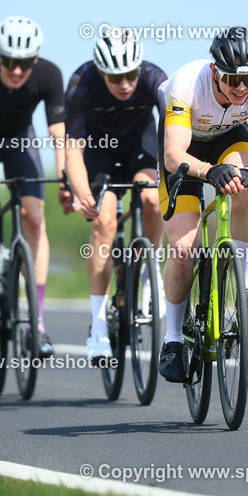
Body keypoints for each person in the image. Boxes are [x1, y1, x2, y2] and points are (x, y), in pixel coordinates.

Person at [155, 27, 248, 383]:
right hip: (184, 148)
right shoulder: (186, 83)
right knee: (183, 250)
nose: (242, 89)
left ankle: (246, 287)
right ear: (215, 71)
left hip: (229, 139)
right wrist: (209, 172)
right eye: (231, 79)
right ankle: (173, 339)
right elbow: (173, 154)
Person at [0, 16, 70, 358]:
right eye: (8, 61)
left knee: (35, 218)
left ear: (35, 60)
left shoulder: (50, 74)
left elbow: (59, 136)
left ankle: (37, 324)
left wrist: (66, 183)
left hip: (21, 139)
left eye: (24, 63)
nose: (16, 70)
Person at [64, 27, 166, 362]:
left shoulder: (154, 78)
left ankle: (151, 276)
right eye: (115, 77)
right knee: (104, 221)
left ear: (140, 67)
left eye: (130, 75)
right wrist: (82, 193)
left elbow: (174, 134)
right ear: (100, 71)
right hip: (98, 150)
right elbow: (73, 150)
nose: (124, 84)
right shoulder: (82, 82)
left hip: (140, 144)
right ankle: (97, 327)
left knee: (152, 199)